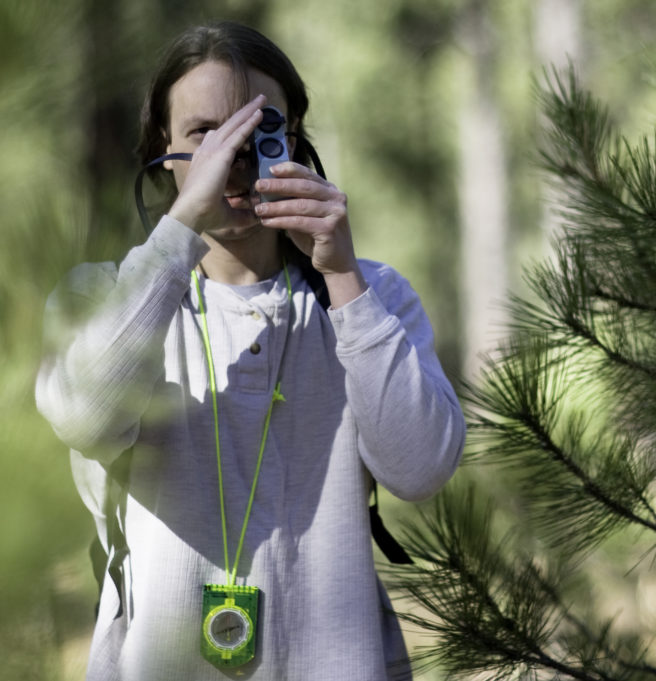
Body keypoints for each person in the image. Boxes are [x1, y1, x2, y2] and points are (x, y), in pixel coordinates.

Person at [35, 21, 465, 681]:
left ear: (292, 139)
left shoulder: (372, 296)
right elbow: (83, 412)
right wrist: (180, 233)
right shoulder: (101, 297)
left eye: (256, 129)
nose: (233, 155)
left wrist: (342, 277)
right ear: (162, 146)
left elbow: (421, 467)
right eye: (206, 132)